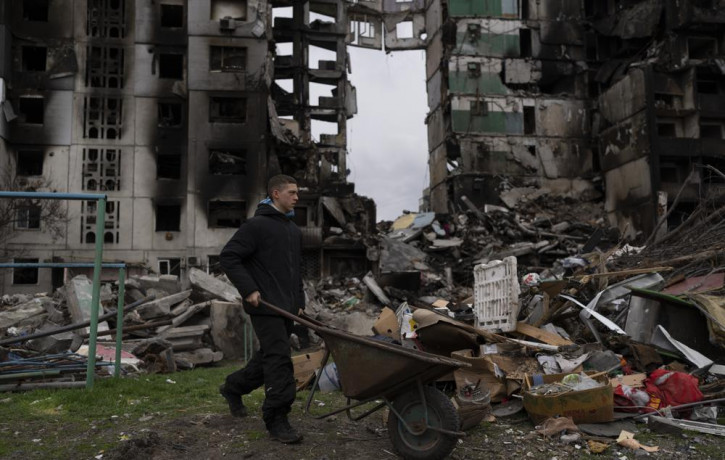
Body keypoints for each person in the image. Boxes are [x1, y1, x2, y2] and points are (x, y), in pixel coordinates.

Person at [218, 174, 305, 444]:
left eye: (296, 192)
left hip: (287, 307)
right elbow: (229, 256)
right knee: (279, 360)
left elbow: (295, 272)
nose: (296, 197)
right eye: (291, 192)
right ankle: (276, 417)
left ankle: (233, 388)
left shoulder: (292, 230)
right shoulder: (256, 226)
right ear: (276, 194)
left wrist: (299, 302)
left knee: (268, 356)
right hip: (265, 306)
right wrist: (249, 289)